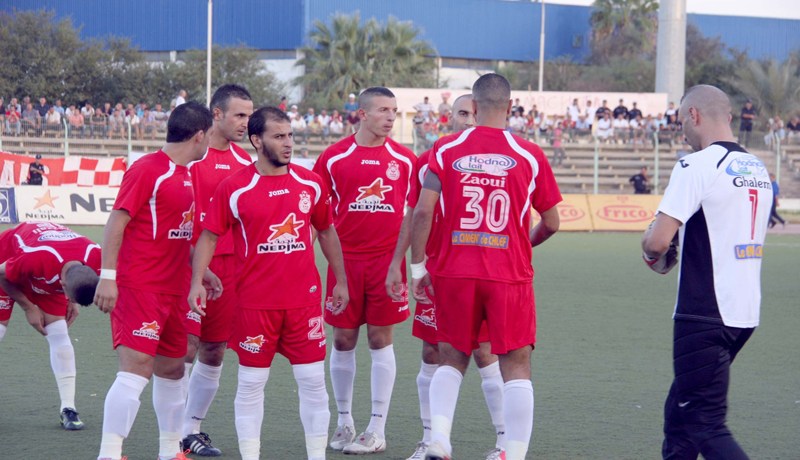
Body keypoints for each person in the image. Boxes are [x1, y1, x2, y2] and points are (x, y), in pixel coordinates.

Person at [410, 73, 561, 460]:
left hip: (454, 272)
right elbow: (552, 222)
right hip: (508, 273)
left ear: (474, 107)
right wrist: (522, 244)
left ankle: (439, 440)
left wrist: (418, 267)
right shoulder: (530, 154)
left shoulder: (444, 149)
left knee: (450, 358)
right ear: (510, 107)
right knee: (516, 365)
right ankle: (513, 452)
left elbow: (423, 211)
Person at [188, 106, 348, 460]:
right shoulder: (235, 187)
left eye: (290, 135)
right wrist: (196, 281)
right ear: (257, 141)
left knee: (313, 383)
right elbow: (209, 236)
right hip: (254, 305)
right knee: (251, 385)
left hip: (304, 303)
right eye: (278, 137)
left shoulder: (310, 183)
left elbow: (326, 231)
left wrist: (341, 281)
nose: (288, 143)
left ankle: (316, 456)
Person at [642, 84, 772, 460]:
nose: (682, 129)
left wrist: (649, 245)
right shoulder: (757, 168)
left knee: (704, 423)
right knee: (679, 417)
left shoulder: (696, 165)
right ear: (728, 117)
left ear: (694, 116)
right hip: (743, 313)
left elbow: (657, 244)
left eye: (682, 120)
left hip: (704, 313)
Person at [385, 94, 507, 460]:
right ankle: (430, 440)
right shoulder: (430, 159)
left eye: (473, 113)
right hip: (439, 274)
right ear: (449, 117)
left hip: (483, 273)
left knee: (485, 353)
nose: (468, 120)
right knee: (432, 352)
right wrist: (400, 263)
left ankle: (504, 442)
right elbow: (414, 214)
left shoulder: (501, 159)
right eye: (462, 113)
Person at [93, 102, 214, 460]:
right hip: (140, 287)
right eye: (209, 135)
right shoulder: (147, 168)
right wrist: (108, 277)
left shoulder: (187, 174)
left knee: (173, 369)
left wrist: (201, 271)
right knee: (137, 369)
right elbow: (117, 221)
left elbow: (178, 234)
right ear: (200, 135)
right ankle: (109, 453)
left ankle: (170, 451)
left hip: (175, 290)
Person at [312, 87, 417, 455]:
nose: (390, 117)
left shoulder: (405, 160)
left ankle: (376, 428)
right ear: (362, 114)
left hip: (387, 263)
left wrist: (402, 263)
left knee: (380, 339)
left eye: (394, 111)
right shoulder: (333, 157)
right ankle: (344, 422)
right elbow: (316, 214)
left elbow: (413, 216)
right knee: (342, 339)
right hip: (344, 263)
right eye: (383, 110)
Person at [179, 84, 254, 457]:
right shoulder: (190, 155)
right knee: (184, 347)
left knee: (214, 350)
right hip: (185, 264)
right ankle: (173, 432)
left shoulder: (246, 163)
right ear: (217, 114)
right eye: (239, 115)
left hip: (229, 270)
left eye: (249, 116)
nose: (246, 123)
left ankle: (191, 429)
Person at [0, 222, 101, 431]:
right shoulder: (37, 257)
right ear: (63, 285)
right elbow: (2, 274)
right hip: (6, 261)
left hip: (48, 275)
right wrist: (28, 307)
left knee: (59, 332)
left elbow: (79, 278)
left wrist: (73, 299)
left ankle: (68, 408)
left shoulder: (97, 255)